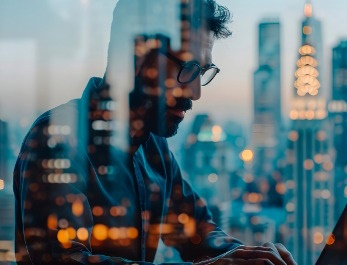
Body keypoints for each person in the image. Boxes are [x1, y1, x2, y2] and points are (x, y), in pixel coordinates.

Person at [13, 0, 296, 264]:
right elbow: (67, 260)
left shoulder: (154, 148)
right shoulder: (56, 139)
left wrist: (245, 255)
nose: (195, 92)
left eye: (203, 72)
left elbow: (198, 228)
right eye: (187, 68)